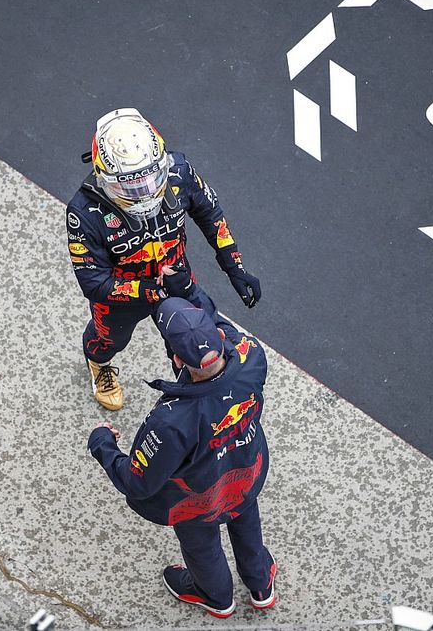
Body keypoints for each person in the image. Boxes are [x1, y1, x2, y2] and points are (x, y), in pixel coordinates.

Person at [87, 291, 276, 619]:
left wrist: (102, 444)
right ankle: (260, 584)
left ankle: (216, 597)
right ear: (217, 337)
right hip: (245, 468)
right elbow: (224, 327)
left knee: (201, 544)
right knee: (246, 518)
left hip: (196, 497)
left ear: (176, 360)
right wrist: (189, 290)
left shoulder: (171, 421)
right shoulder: (252, 356)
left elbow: (138, 481)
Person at [67, 107, 261, 411]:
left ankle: (194, 394)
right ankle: (99, 365)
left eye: (149, 179)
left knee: (195, 343)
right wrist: (150, 291)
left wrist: (233, 266)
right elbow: (92, 282)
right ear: (103, 176)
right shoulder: (83, 213)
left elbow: (210, 213)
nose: (144, 193)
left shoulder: (178, 170)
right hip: (122, 296)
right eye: (130, 185)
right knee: (108, 341)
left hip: (178, 278)